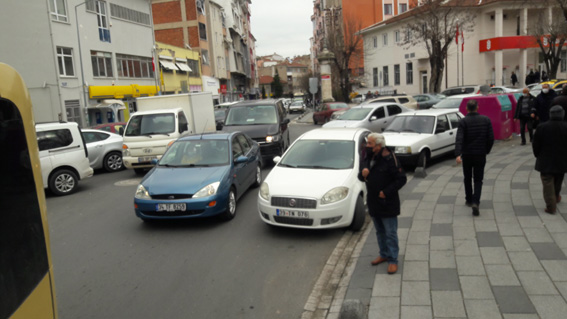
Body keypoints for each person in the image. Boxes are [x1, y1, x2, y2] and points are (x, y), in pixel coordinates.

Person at [358, 133, 406, 274]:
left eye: (370, 144)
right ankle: (383, 254)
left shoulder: (390, 158)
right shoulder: (368, 155)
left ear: (379, 146)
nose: (367, 146)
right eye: (367, 143)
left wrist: (386, 192)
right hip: (373, 201)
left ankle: (393, 260)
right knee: (379, 231)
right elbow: (361, 175)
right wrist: (363, 174)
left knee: (390, 232)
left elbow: (401, 179)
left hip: (387, 202)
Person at [455, 99, 495, 216]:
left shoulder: (463, 122)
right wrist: (486, 150)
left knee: (467, 177)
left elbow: (459, 139)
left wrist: (458, 154)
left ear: (467, 109)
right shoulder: (486, 120)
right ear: (477, 108)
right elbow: (490, 138)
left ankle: (468, 199)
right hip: (480, 154)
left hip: (467, 155)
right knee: (478, 179)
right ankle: (476, 202)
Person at [532, 105, 567, 214]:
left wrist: (537, 155)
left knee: (547, 182)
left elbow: (536, 144)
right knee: (558, 179)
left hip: (545, 160)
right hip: (562, 159)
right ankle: (556, 196)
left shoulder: (542, 127)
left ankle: (551, 206)